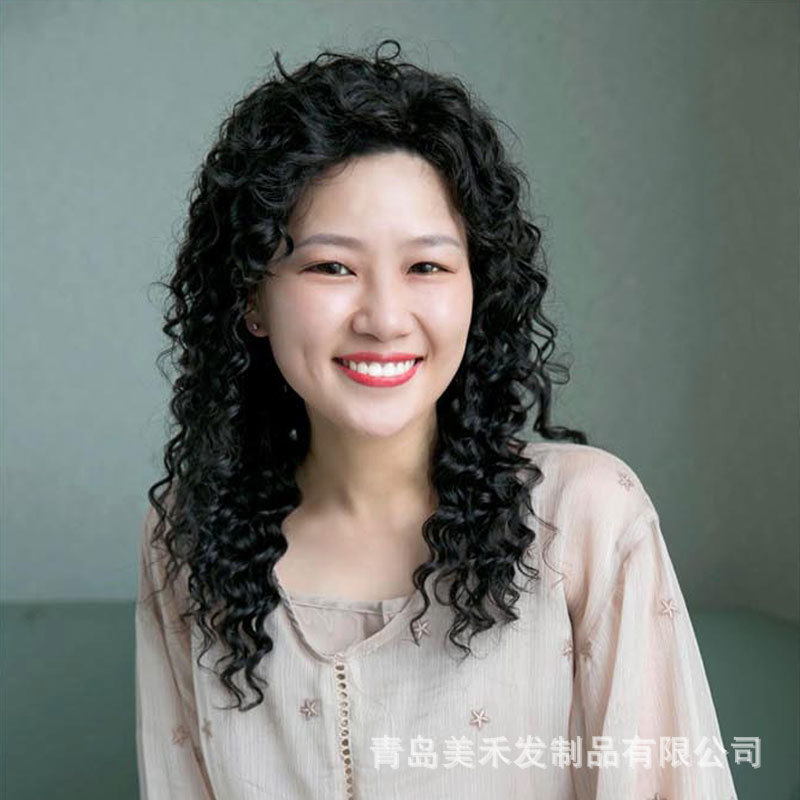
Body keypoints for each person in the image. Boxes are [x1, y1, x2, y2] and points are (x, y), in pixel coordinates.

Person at [135, 39, 738, 799]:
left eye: (426, 266)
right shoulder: (190, 534)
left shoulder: (583, 518)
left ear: (476, 289)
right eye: (331, 267)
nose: (385, 319)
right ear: (252, 297)